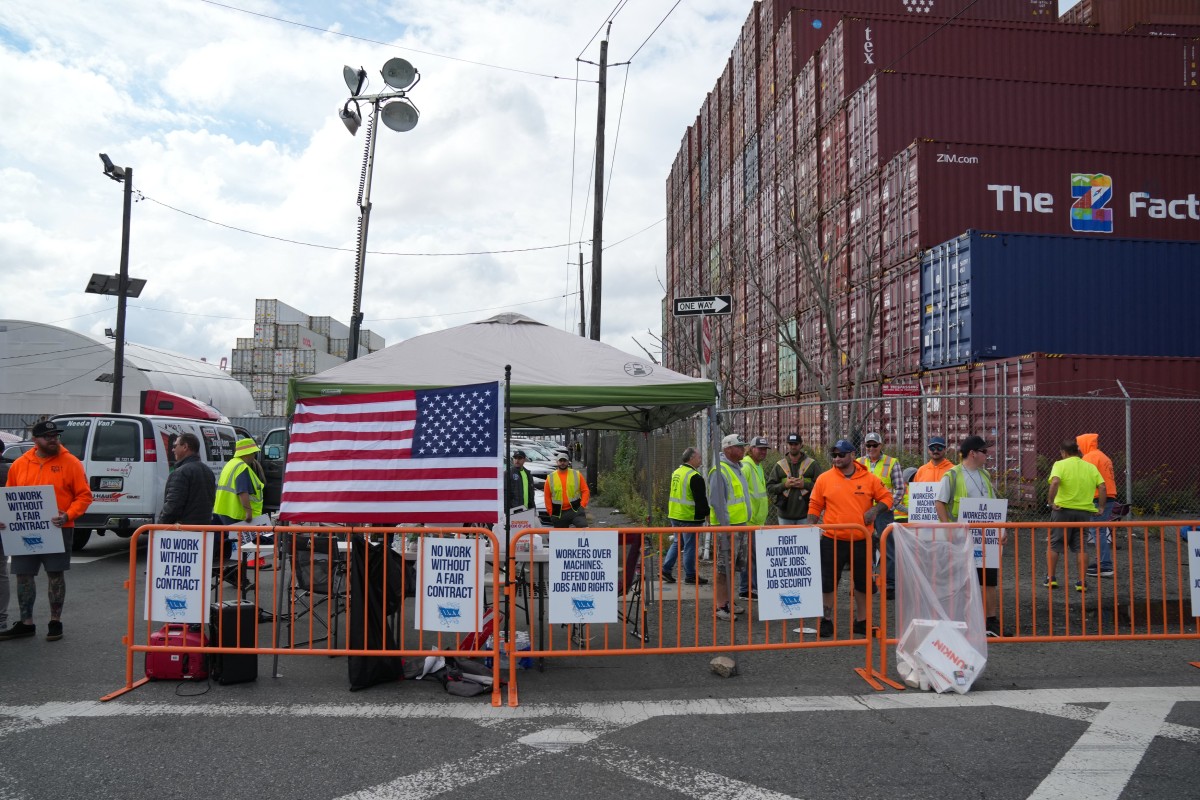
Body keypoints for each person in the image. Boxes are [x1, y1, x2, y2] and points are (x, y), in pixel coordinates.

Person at [0, 420, 92, 642]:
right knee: (23, 575)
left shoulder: (71, 463)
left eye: (56, 435)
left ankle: (55, 621)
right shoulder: (20, 464)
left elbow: (84, 495)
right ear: (35, 440)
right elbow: (9, 496)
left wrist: (68, 515)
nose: (53, 439)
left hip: (58, 527)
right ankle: (26, 623)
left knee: (55, 575)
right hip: (24, 530)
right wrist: (5, 519)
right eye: (47, 436)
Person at [807, 439, 891, 638]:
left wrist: (875, 509)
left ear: (852, 455)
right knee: (828, 582)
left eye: (841, 455)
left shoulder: (869, 478)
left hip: (862, 539)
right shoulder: (824, 479)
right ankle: (826, 620)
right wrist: (809, 526)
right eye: (834, 455)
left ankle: (861, 622)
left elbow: (887, 497)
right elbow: (815, 505)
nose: (837, 458)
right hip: (831, 539)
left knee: (862, 584)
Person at [934, 435, 1006, 637]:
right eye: (984, 451)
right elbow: (940, 502)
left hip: (986, 538)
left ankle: (990, 622)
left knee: (989, 579)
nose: (987, 455)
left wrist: (1002, 529)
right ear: (973, 453)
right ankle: (962, 622)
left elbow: (992, 506)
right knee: (963, 580)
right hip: (961, 538)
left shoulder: (985, 476)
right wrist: (948, 528)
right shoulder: (953, 475)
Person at [1046, 439, 1105, 593]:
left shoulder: (1060, 464)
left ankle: (1051, 578)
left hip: (1062, 510)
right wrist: (1101, 507)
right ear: (1078, 451)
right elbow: (1102, 486)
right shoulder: (1090, 467)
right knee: (1081, 547)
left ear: (1063, 452)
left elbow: (1055, 482)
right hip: (1084, 512)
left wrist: (1051, 501)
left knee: (1055, 544)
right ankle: (1081, 581)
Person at [858, 431, 906, 596]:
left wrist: (889, 506)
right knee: (863, 547)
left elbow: (900, 488)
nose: (871, 448)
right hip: (862, 512)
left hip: (883, 511)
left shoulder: (891, 462)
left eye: (874, 445)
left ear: (881, 446)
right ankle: (865, 582)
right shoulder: (858, 462)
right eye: (868, 445)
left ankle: (890, 585)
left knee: (888, 547)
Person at [709, 433, 751, 620]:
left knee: (731, 567)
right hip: (727, 529)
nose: (743, 449)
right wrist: (725, 528)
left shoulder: (736, 468)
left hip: (738, 527)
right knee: (722, 568)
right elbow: (718, 503)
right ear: (728, 449)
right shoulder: (720, 471)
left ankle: (728, 601)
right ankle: (721, 607)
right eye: (739, 446)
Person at [662, 447, 709, 585]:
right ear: (691, 458)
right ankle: (690, 575)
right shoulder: (694, 477)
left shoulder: (676, 472)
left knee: (678, 542)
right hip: (689, 517)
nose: (701, 460)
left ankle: (666, 569)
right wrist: (707, 514)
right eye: (699, 458)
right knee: (690, 546)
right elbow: (701, 499)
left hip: (675, 514)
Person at [1077, 433, 1117, 578]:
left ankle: (1105, 565)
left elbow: (1084, 479)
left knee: (1097, 530)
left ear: (1085, 444)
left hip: (1098, 497)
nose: (1079, 448)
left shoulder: (1089, 457)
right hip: (1109, 495)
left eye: (1080, 445)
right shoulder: (1102, 456)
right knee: (1099, 530)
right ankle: (1102, 561)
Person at [213, 437, 266, 547]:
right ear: (247, 454)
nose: (254, 456)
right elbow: (242, 492)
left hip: (224, 510)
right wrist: (248, 513)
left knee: (235, 546)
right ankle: (245, 564)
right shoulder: (242, 467)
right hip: (236, 513)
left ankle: (241, 563)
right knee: (245, 548)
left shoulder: (231, 464)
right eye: (253, 453)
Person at [159, 433, 217, 525]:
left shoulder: (181, 473)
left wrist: (160, 525)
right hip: (204, 530)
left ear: (185, 447)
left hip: (183, 532)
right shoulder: (208, 471)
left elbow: (173, 506)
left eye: (175, 446)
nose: (172, 449)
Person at [738, 436, 770, 599]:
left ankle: (751, 587)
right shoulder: (746, 466)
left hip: (757, 520)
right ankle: (746, 588)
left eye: (765, 449)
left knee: (753, 556)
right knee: (749, 557)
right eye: (760, 448)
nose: (763, 452)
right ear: (751, 449)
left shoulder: (756, 466)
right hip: (750, 521)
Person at [767, 432, 818, 526]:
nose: (793, 447)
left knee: (805, 541)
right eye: (791, 444)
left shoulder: (812, 464)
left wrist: (805, 485)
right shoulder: (779, 465)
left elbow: (821, 487)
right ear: (787, 445)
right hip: (784, 516)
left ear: (801, 445)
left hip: (806, 514)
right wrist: (785, 485)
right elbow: (770, 488)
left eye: (796, 444)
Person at [544, 454, 589, 528]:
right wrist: (550, 512)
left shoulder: (576, 474)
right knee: (561, 537)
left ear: (568, 462)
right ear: (557, 462)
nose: (562, 463)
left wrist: (582, 505)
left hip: (576, 510)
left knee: (584, 530)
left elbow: (585, 491)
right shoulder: (550, 478)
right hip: (558, 513)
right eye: (560, 461)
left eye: (564, 461)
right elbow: (547, 496)